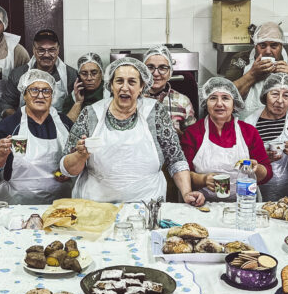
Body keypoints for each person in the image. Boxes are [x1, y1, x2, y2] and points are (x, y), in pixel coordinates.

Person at [60, 57, 205, 205]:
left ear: (142, 86)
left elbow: (175, 159)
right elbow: (67, 169)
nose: (125, 87)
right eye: (119, 81)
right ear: (111, 85)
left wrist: (186, 192)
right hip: (97, 206)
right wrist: (80, 156)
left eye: (132, 82)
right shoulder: (90, 114)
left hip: (147, 205)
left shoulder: (155, 112)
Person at [0, 69, 75, 204]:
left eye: (46, 91)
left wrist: (68, 171)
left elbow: (78, 158)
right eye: (34, 90)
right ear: (24, 94)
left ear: (52, 95)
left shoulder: (64, 123)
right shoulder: (9, 125)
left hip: (60, 203)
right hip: (17, 203)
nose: (40, 95)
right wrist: (0, 153)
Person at [181, 78, 270, 201]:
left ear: (234, 103)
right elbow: (183, 172)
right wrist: (203, 179)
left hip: (243, 204)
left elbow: (267, 173)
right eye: (213, 98)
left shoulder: (249, 132)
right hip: (203, 205)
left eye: (225, 98)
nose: (219, 104)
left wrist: (257, 169)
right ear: (206, 102)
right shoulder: (193, 133)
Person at [225, 22, 288, 114]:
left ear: (281, 46)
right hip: (247, 119)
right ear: (255, 45)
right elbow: (224, 95)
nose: (268, 51)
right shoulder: (241, 59)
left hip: (284, 119)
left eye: (274, 46)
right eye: (262, 45)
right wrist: (252, 74)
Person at [244, 73, 288, 201]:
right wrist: (260, 157)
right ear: (265, 95)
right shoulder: (250, 123)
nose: (280, 101)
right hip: (258, 191)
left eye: (286, 95)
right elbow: (241, 161)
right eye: (274, 94)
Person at [0, 29, 76, 118]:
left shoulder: (70, 75)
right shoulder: (18, 74)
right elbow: (6, 104)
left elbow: (77, 105)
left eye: (52, 50)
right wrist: (19, 120)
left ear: (58, 50)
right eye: (41, 50)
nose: (46, 55)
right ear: (34, 50)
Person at [143, 45, 197, 135]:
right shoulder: (134, 99)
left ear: (170, 72)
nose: (156, 73)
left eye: (162, 68)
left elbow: (192, 137)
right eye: (150, 67)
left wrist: (178, 135)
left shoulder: (183, 102)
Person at [64, 52, 105, 123]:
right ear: (79, 75)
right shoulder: (73, 97)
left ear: (101, 73)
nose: (89, 78)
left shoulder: (111, 93)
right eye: (84, 74)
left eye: (94, 73)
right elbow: (66, 125)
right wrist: (78, 103)